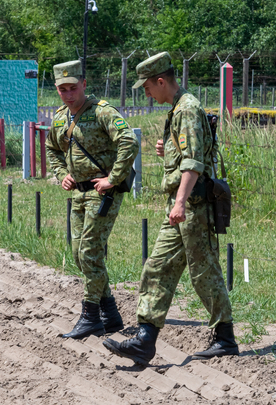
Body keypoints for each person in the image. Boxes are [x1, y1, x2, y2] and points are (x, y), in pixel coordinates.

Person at [103, 52, 238, 364]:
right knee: (157, 267)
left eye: (148, 87)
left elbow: (193, 163)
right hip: (182, 206)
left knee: (204, 273)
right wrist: (170, 149)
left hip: (192, 206)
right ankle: (145, 339)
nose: (146, 93)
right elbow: (188, 151)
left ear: (161, 81)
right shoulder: (179, 109)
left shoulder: (187, 109)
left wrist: (179, 203)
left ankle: (226, 337)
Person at [46, 60, 139, 339]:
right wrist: (62, 173)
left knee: (89, 252)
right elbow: (52, 148)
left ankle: (90, 316)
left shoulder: (102, 112)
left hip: (103, 193)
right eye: (62, 89)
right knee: (80, 254)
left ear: (84, 85)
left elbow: (129, 141)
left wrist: (113, 178)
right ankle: (109, 313)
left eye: (73, 87)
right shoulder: (61, 117)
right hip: (78, 193)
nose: (68, 94)